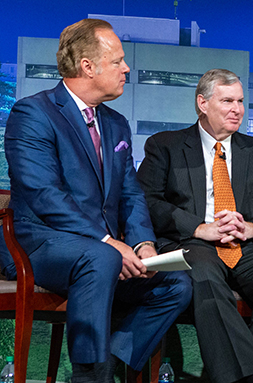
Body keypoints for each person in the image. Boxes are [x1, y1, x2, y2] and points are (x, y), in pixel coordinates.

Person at [3, 19, 192, 382]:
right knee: (101, 257)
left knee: (175, 283)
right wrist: (108, 242)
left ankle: (109, 366)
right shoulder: (33, 114)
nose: (126, 68)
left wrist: (144, 244)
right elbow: (44, 195)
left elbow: (130, 193)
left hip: (101, 251)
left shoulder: (117, 124)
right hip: (38, 243)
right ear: (87, 66)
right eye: (118, 60)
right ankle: (89, 376)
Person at [137, 69, 253, 383]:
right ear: (203, 103)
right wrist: (199, 227)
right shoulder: (165, 146)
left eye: (240, 101)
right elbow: (146, 200)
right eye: (227, 100)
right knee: (202, 273)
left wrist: (252, 228)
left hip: (246, 245)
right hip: (194, 243)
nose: (237, 109)